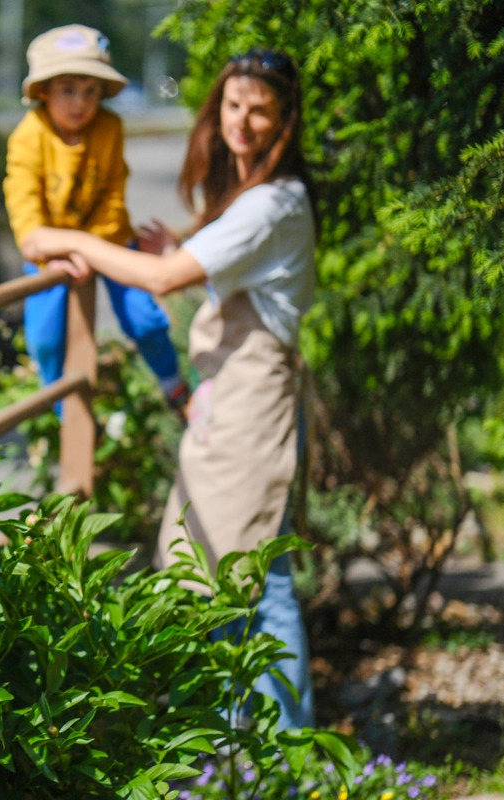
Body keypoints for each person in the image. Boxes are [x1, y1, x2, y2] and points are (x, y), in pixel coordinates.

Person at [21, 47, 317, 730]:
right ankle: (233, 743)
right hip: (232, 406)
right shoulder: (252, 198)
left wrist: (66, 239)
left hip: (252, 408)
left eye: (259, 111)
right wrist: (174, 248)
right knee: (213, 566)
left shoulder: (272, 201)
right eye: (233, 106)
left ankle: (281, 755)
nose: (241, 121)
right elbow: (206, 263)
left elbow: (161, 283)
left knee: (258, 581)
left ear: (283, 123)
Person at [3, 24, 188, 412]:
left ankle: (174, 387)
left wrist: (94, 250)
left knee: (146, 319)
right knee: (47, 339)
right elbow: (24, 205)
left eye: (91, 91)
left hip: (108, 238)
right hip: (49, 252)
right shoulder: (29, 135)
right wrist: (47, 249)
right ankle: (62, 414)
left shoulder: (109, 126)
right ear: (44, 92)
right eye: (68, 89)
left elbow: (113, 194)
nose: (80, 102)